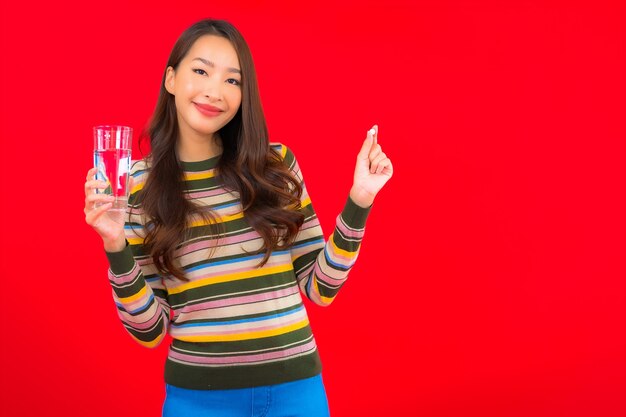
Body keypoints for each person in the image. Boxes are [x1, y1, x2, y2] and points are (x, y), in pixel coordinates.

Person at [83, 18, 392, 417]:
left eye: (233, 81)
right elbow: (150, 331)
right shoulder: (137, 184)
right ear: (171, 79)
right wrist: (114, 244)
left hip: (296, 394)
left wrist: (359, 199)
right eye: (200, 71)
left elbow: (321, 288)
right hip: (198, 401)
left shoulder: (275, 164)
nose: (215, 91)